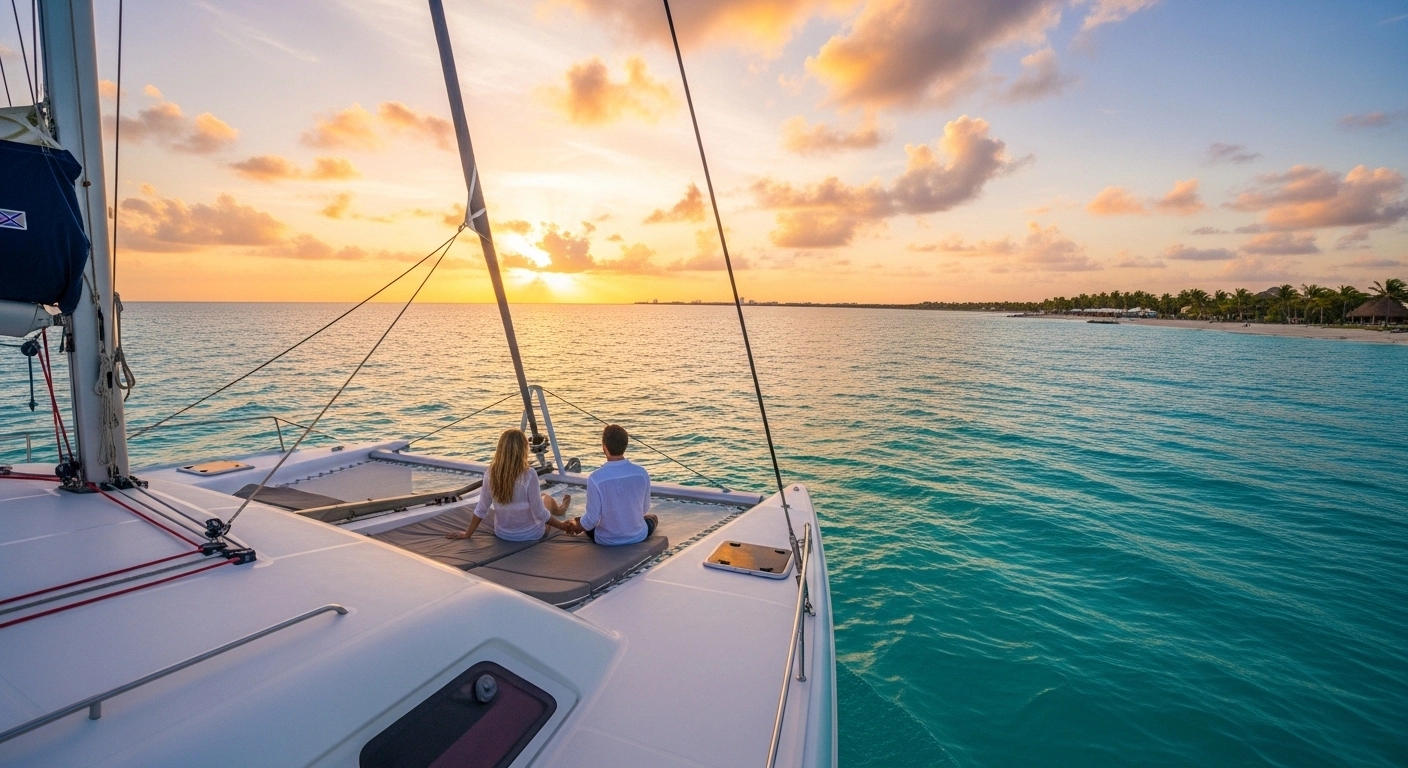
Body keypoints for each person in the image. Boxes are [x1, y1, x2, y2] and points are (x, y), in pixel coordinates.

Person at [446, 429, 576, 541]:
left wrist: (467, 534)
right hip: (530, 534)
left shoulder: (491, 473)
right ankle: (561, 509)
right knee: (545, 498)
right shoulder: (529, 474)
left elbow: (481, 508)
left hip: (503, 534)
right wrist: (562, 526)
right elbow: (540, 513)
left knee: (539, 498)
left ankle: (561, 508)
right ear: (523, 449)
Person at [567, 424, 656, 545]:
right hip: (638, 536)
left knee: (584, 522)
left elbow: (592, 520)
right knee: (652, 518)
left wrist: (579, 526)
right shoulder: (642, 473)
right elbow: (644, 509)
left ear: (604, 447)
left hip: (606, 540)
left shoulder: (595, 478)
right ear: (625, 445)